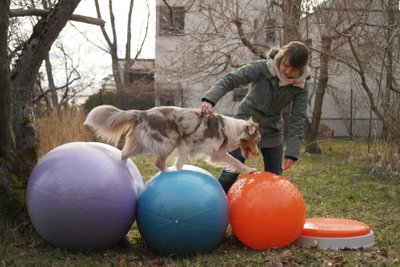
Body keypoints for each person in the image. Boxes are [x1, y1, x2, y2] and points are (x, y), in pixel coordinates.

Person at [200, 41, 310, 193]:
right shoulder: (262, 68)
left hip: (272, 129)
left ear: (302, 69)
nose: (287, 71)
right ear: (281, 57)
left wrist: (292, 152)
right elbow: (231, 79)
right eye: (285, 65)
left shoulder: (301, 86)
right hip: (245, 127)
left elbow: (298, 119)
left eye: (294, 69)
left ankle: (268, 213)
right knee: (230, 174)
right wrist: (209, 99)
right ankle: (215, 208)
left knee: (275, 178)